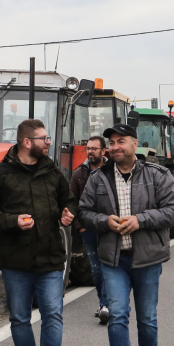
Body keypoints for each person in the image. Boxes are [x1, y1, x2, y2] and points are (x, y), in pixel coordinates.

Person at [78, 124, 174, 346]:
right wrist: (105, 221)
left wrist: (141, 220)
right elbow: (85, 212)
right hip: (114, 260)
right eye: (111, 142)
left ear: (134, 144)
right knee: (117, 316)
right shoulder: (98, 178)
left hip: (148, 259)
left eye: (120, 141)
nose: (114, 147)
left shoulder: (157, 175)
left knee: (147, 319)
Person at [0, 119, 77, 346]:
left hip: (50, 257)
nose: (48, 142)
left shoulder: (52, 172)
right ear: (26, 142)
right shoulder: (1, 174)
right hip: (16, 260)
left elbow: (68, 200)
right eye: (43, 138)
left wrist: (68, 213)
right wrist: (12, 221)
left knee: (52, 315)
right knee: (20, 318)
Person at [69, 136, 109, 324]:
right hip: (89, 230)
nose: (90, 151)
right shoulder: (79, 174)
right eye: (88, 148)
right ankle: (103, 304)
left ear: (103, 151)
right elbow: (72, 203)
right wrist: (81, 227)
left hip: (110, 228)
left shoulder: (113, 170)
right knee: (96, 268)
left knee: (111, 266)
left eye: (94, 148)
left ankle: (110, 304)